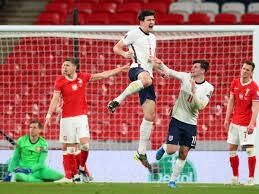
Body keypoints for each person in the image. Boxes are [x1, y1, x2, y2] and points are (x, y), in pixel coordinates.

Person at [44, 58, 129, 183]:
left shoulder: (82, 77)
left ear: (74, 67)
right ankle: (73, 177)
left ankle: (82, 168)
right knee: (70, 148)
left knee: (85, 144)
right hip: (66, 118)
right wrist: (48, 116)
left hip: (81, 117)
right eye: (63, 66)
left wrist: (120, 69)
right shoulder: (60, 81)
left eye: (67, 65)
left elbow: (103, 75)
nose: (64, 68)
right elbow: (55, 99)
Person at [107, 10, 167, 171]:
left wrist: (159, 70)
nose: (152, 22)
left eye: (154, 19)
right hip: (136, 70)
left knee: (150, 115)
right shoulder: (134, 33)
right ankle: (117, 100)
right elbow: (116, 48)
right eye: (149, 20)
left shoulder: (153, 38)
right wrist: (124, 53)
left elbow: (149, 60)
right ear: (141, 22)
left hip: (148, 75)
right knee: (146, 79)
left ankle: (141, 152)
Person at [154, 59, 214, 188]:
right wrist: (160, 62)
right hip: (177, 119)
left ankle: (172, 181)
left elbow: (201, 106)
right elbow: (169, 71)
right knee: (171, 150)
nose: (192, 69)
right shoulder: (185, 77)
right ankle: (164, 148)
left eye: (196, 67)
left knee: (183, 153)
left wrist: (193, 91)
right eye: (192, 66)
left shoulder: (208, 88)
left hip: (191, 124)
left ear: (203, 70)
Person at [224, 61, 259, 186]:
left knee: (249, 150)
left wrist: (251, 123)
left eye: (247, 70)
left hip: (246, 124)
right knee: (231, 149)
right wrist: (227, 118)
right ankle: (235, 178)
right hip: (235, 122)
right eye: (243, 68)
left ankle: (251, 179)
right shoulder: (235, 82)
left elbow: (256, 107)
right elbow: (231, 101)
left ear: (251, 72)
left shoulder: (254, 87)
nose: (244, 71)